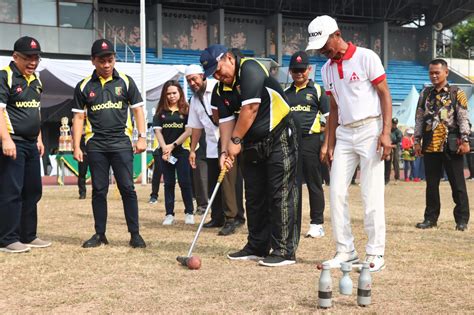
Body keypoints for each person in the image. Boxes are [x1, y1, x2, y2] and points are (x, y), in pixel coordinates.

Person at [201, 44, 300, 267]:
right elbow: (226, 124)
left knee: (279, 193)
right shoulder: (220, 90)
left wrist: (236, 141)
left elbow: (250, 110)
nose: (218, 76)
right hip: (253, 144)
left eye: (219, 70)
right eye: (213, 75)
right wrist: (225, 151)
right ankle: (257, 245)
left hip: (280, 136)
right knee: (254, 195)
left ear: (228, 58)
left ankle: (284, 249)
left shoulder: (250, 69)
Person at [307, 15, 392, 272]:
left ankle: (376, 253)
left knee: (371, 193)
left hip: (370, 128)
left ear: (337, 34)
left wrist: (385, 133)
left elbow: (385, 94)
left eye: (325, 44)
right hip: (344, 133)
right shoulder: (326, 69)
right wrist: (328, 143)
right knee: (336, 192)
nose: (323, 51)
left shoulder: (366, 57)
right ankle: (346, 250)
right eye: (319, 47)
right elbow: (333, 107)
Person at [72, 39, 146, 248]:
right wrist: (77, 146)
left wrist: (141, 137)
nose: (107, 65)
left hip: (121, 143)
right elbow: (78, 118)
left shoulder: (126, 81)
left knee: (127, 188)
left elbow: (138, 110)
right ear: (93, 61)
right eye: (102, 61)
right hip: (96, 145)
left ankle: (135, 234)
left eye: (110, 60)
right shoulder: (84, 86)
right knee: (99, 190)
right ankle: (99, 234)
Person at [0, 36, 51, 253]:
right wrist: (5, 139)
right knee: (11, 191)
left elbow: (34, 111)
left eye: (36, 58)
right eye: (28, 58)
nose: (32, 62)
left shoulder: (37, 80)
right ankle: (7, 239)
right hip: (13, 144)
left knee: (33, 190)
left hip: (31, 144)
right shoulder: (6, 76)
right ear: (15, 57)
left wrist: (39, 138)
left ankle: (28, 235)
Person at [185, 64, 245, 236]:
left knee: (228, 183)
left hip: (227, 142)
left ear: (203, 76)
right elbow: (195, 127)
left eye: (194, 79)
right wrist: (192, 149)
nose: (192, 83)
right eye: (189, 81)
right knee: (213, 184)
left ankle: (233, 219)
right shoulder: (194, 99)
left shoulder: (217, 90)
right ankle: (217, 216)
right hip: (210, 145)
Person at [414, 58, 470, 231]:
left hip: (451, 144)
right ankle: (430, 219)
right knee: (431, 185)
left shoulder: (456, 92)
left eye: (437, 72)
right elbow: (419, 118)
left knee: (458, 184)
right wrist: (417, 140)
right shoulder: (425, 94)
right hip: (430, 145)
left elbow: (463, 118)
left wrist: (465, 140)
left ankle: (461, 220)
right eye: (431, 72)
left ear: (446, 72)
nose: (434, 76)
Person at [284, 50, 329, 238]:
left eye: (302, 69)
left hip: (311, 142)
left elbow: (330, 119)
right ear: (289, 71)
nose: (299, 73)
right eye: (295, 70)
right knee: (291, 185)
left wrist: (326, 146)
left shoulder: (317, 91)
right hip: (289, 143)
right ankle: (291, 222)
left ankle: (317, 223)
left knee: (314, 183)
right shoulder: (285, 94)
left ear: (309, 69)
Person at [153, 80, 194, 225]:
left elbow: (189, 131)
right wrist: (165, 148)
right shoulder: (160, 112)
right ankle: (169, 214)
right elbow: (158, 131)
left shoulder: (187, 110)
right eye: (168, 93)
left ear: (180, 93)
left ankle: (189, 212)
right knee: (168, 183)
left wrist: (173, 145)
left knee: (185, 182)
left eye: (174, 93)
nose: (171, 96)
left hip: (182, 151)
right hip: (165, 154)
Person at [385, 118, 402, 184]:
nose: (394, 125)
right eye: (393, 123)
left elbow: (399, 139)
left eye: (395, 124)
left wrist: (392, 143)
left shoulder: (398, 131)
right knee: (387, 161)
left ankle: (397, 178)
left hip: (395, 146)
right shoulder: (388, 130)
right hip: (388, 146)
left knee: (396, 161)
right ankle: (387, 178)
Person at [77, 126, 89, 199]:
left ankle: (97, 191)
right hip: (83, 154)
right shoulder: (80, 130)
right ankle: (82, 192)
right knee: (82, 174)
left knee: (96, 174)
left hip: (93, 153)